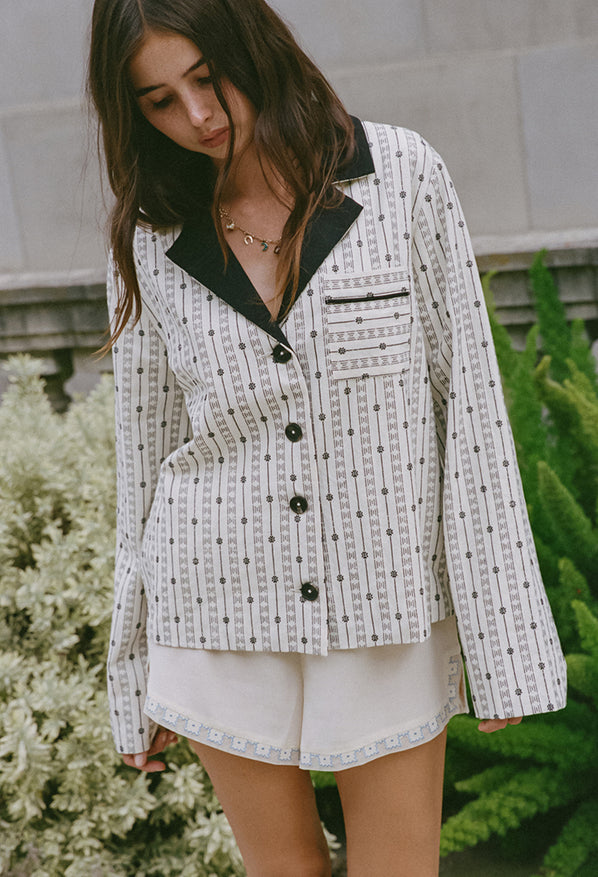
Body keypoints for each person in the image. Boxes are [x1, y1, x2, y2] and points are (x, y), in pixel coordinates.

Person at [88, 1, 567, 874]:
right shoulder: (152, 239)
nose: (196, 117)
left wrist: (502, 645)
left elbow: (472, 414)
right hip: (215, 608)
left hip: (383, 605)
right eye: (158, 101)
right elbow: (146, 459)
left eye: (206, 77)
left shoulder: (402, 178)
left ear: (252, 47)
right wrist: (135, 671)